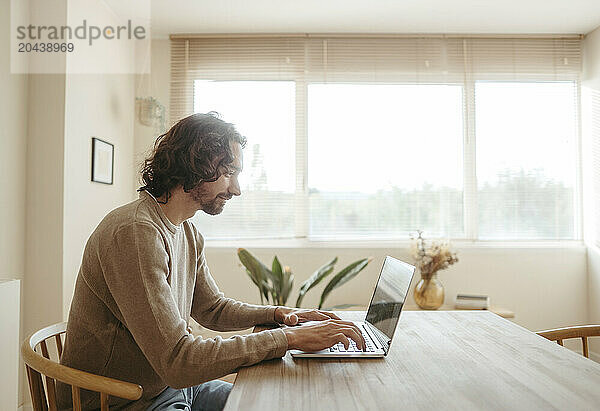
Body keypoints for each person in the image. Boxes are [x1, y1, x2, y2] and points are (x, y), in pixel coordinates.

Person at [58, 112, 366, 410]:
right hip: (123, 401)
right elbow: (178, 361)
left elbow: (212, 308)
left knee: (269, 403)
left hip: (167, 389)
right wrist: (289, 338)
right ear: (195, 164)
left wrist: (281, 313)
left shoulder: (187, 231)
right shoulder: (135, 233)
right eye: (229, 173)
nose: (237, 189)